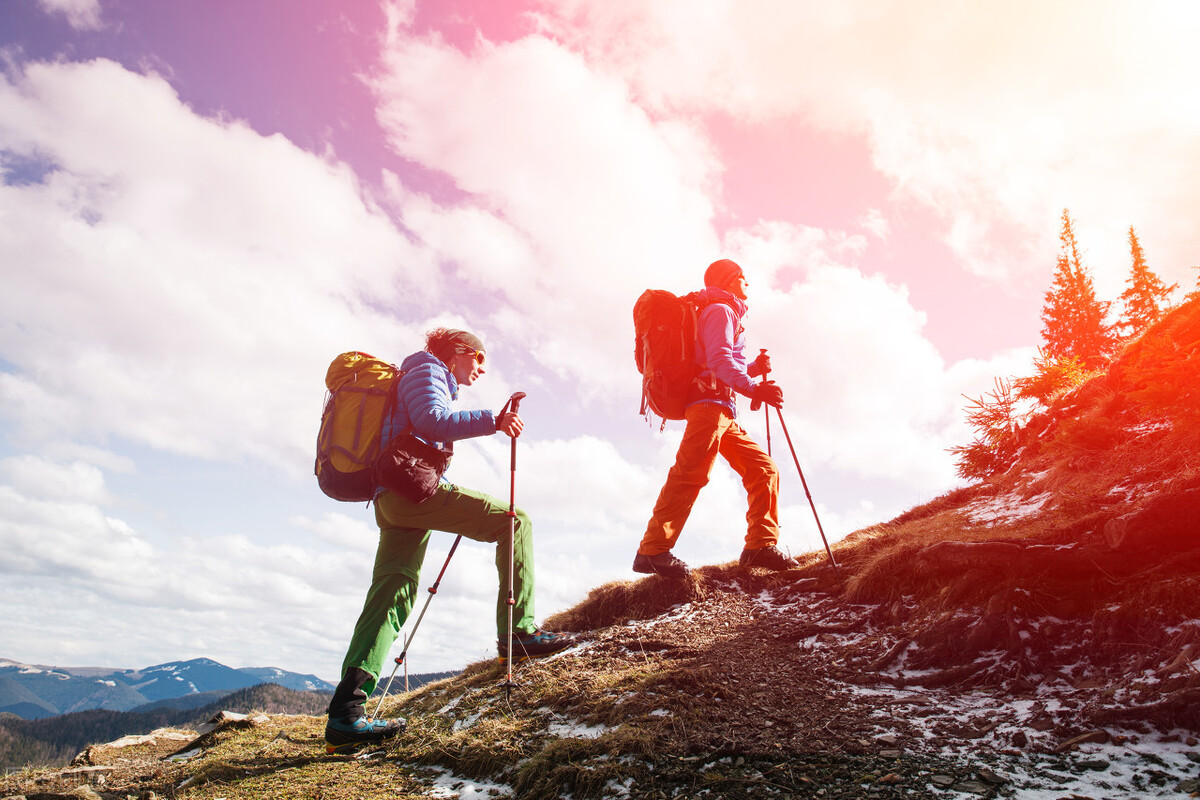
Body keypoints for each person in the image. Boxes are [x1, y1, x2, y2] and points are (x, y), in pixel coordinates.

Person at [325, 328, 575, 751]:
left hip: (393, 499)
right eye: (479, 360)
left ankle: (345, 717)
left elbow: (416, 431)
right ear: (460, 352)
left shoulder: (417, 375)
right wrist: (494, 421)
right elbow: (431, 421)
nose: (479, 370)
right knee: (515, 522)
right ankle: (518, 632)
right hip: (407, 495)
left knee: (391, 595)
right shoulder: (426, 368)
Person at [633, 259, 799, 580]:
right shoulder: (720, 310)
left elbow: (715, 361)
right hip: (709, 407)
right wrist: (754, 389)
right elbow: (719, 360)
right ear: (731, 279)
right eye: (743, 278)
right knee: (690, 474)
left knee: (763, 469)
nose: (747, 284)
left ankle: (759, 547)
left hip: (721, 408)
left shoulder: (721, 310)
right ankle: (652, 551)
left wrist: (751, 369)